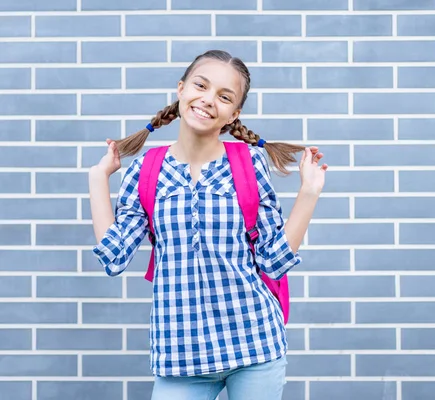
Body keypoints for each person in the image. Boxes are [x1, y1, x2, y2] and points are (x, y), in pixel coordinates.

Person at [88, 50, 328, 399]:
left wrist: (308, 192)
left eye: (224, 96)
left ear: (234, 114)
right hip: (180, 358)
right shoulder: (146, 171)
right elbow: (114, 257)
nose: (208, 100)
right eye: (200, 85)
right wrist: (98, 178)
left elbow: (274, 261)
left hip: (255, 347)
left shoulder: (249, 165)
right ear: (182, 88)